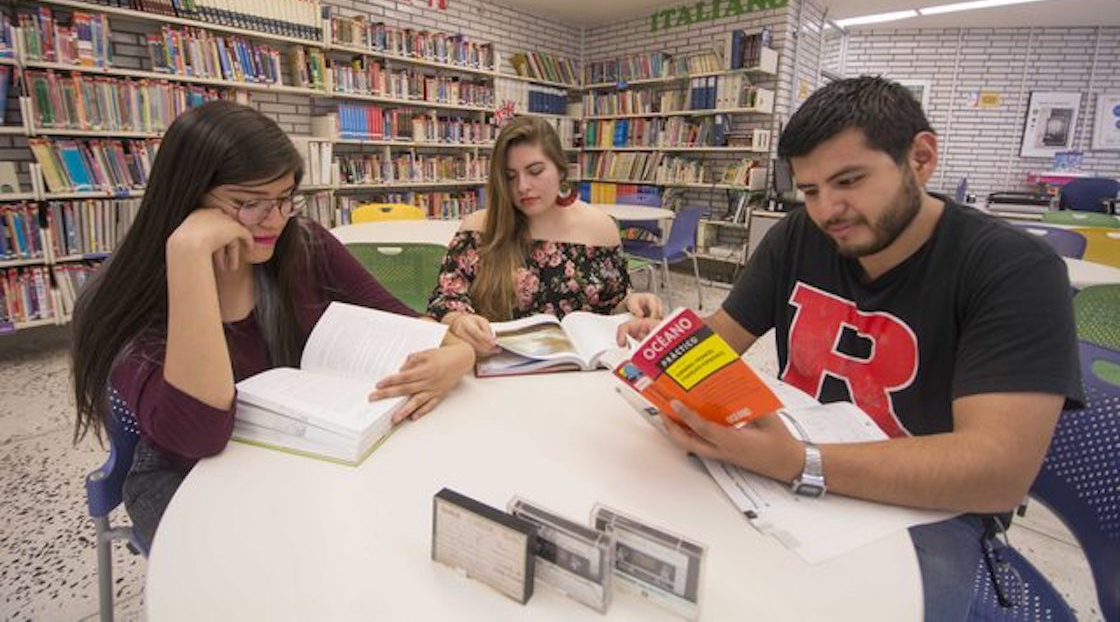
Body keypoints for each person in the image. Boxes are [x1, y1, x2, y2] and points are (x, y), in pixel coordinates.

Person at [617, 76, 1082, 620]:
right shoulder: (799, 236)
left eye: (849, 180)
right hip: (784, 485)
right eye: (810, 190)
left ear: (921, 158)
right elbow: (726, 333)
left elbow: (997, 471)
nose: (827, 210)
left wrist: (799, 462)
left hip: (927, 518)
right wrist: (670, 342)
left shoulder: (1013, 270)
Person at [71, 101, 475, 546]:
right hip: (187, 478)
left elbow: (408, 322)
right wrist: (188, 257)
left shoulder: (303, 246)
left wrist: (459, 355)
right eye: (249, 203)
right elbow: (199, 434)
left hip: (294, 448)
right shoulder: (129, 300)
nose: (276, 220)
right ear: (188, 199)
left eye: (285, 198)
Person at [426, 115, 663, 354]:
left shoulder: (600, 229)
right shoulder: (479, 228)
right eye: (510, 176)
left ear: (560, 170)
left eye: (535, 171)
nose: (522, 186)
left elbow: (612, 305)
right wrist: (457, 320)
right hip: (498, 372)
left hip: (576, 376)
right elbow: (444, 300)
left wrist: (633, 304)